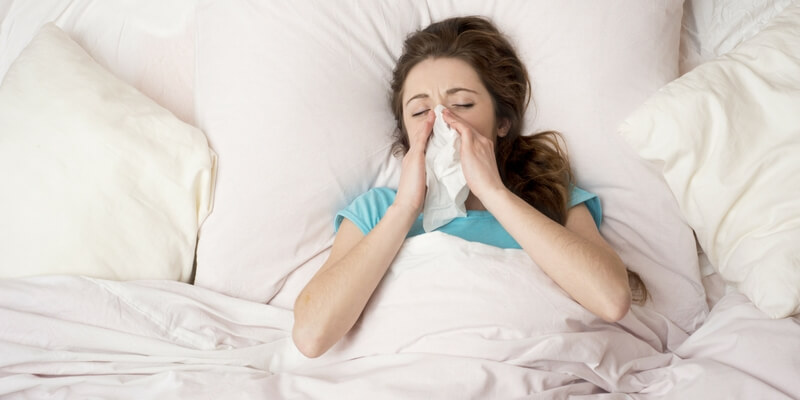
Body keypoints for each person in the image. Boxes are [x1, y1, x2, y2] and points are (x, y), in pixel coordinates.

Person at [293, 16, 644, 359]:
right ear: (405, 132)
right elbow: (311, 336)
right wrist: (404, 209)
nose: (442, 122)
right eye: (419, 112)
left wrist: (494, 193)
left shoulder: (547, 194)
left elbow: (611, 299)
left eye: (461, 105)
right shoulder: (377, 210)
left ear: (502, 121)